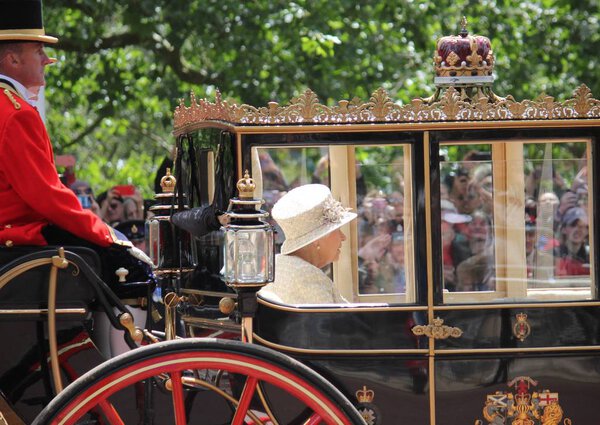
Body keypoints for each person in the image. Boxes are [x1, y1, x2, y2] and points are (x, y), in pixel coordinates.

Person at [0, 1, 151, 287]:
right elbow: (48, 197)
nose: (47, 59)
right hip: (18, 241)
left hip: (13, 242)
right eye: (39, 51)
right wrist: (108, 234)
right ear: (13, 60)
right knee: (131, 270)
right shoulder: (16, 113)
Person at [259, 184, 357, 304]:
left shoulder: (276, 265)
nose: (343, 237)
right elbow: (333, 322)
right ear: (317, 240)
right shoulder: (307, 275)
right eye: (336, 230)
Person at [554, 207, 590, 276]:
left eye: (582, 226)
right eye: (573, 225)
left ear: (587, 231)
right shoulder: (554, 254)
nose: (577, 230)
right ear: (563, 229)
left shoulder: (591, 256)